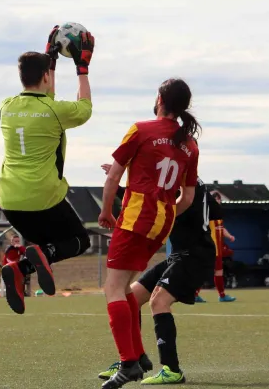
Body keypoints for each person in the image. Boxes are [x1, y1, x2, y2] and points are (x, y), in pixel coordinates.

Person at [97, 78, 200, 388]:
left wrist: (106, 212)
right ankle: (139, 356)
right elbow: (188, 198)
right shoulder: (190, 144)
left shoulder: (141, 129)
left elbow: (114, 175)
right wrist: (165, 213)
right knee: (125, 289)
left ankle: (128, 363)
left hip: (134, 218)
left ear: (159, 99)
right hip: (162, 222)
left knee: (112, 289)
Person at [0, 26, 95, 315]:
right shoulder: (55, 111)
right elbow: (85, 108)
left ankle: (18, 270)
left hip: (10, 201)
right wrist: (82, 68)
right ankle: (36, 258)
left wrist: (49, 60)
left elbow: (44, 98)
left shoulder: (6, 107)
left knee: (45, 244)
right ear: (45, 77)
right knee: (79, 241)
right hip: (43, 197)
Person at [98, 177, 217, 385]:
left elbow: (154, 206)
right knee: (131, 296)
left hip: (195, 256)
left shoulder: (180, 183)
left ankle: (172, 369)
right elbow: (216, 211)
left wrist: (118, 189)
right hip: (180, 255)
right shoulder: (194, 183)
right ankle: (132, 360)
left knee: (158, 302)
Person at [194, 192, 237, 302]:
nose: (218, 201)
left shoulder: (218, 214)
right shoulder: (207, 214)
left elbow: (221, 228)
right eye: (216, 199)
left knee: (218, 272)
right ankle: (195, 294)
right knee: (205, 271)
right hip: (209, 247)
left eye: (219, 199)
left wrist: (229, 236)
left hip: (217, 249)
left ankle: (222, 296)